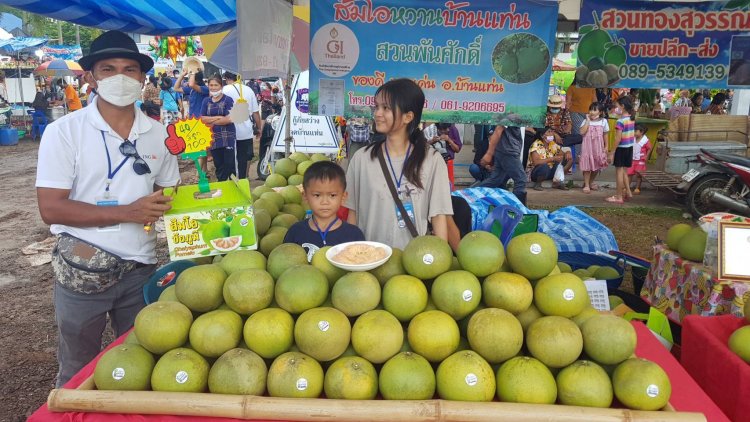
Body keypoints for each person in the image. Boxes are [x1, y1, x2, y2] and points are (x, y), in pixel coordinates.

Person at [35, 30, 180, 387]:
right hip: (83, 265)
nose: (120, 77)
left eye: (130, 69)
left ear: (142, 77)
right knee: (77, 366)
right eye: (108, 68)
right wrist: (127, 212)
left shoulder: (159, 134)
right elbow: (51, 208)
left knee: (138, 362)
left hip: (140, 267)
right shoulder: (65, 132)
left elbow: (166, 193)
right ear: (90, 77)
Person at [345, 78, 453, 249]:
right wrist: (350, 255)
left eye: (386, 108)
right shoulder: (361, 159)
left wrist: (439, 261)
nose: (377, 113)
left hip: (413, 264)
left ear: (408, 117)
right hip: (369, 260)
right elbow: (353, 213)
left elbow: (439, 216)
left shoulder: (432, 161)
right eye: (377, 106)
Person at [285, 161, 365, 261]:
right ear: (305, 196)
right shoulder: (295, 232)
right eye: (317, 195)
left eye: (332, 195)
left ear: (343, 197)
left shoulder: (354, 235)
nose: (325, 202)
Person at [477, 125, 530, 204]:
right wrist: (489, 153)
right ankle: (518, 208)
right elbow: (498, 130)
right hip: (508, 152)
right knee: (521, 180)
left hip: (505, 151)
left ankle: (471, 194)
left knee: (496, 179)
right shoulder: (509, 115)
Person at [223, 72, 261, 179]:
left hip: (229, 129)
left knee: (230, 158)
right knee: (243, 158)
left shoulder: (225, 90)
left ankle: (232, 181)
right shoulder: (249, 90)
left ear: (227, 78)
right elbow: (255, 113)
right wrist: (259, 129)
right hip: (246, 130)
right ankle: (243, 179)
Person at [201, 75, 236, 181]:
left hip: (227, 137)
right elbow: (202, 119)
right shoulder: (206, 101)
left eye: (216, 85)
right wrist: (218, 117)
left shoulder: (228, 100)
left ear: (221, 86)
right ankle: (222, 186)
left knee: (229, 165)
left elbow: (229, 119)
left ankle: (233, 188)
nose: (213, 87)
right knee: (219, 165)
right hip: (213, 138)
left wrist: (211, 119)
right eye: (211, 85)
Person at [606, 96, 636, 204]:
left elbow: (618, 139)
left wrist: (612, 152)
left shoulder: (620, 121)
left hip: (621, 149)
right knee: (624, 172)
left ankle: (619, 197)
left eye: (617, 106)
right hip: (629, 148)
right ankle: (626, 192)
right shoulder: (631, 118)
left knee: (619, 173)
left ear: (622, 107)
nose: (615, 108)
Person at [579, 102, 609, 193]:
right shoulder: (585, 121)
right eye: (591, 109)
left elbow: (605, 134)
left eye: (594, 110)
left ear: (600, 112)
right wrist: (587, 120)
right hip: (587, 147)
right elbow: (582, 132)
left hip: (598, 147)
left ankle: (589, 182)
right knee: (587, 166)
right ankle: (587, 185)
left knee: (597, 165)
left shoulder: (604, 121)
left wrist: (606, 146)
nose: (591, 112)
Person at [545, 95, 581, 165]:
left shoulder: (564, 112)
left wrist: (568, 128)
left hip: (564, 136)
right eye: (553, 107)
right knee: (549, 138)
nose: (555, 109)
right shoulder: (545, 113)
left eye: (557, 107)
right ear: (549, 106)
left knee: (580, 137)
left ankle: (559, 144)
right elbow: (545, 128)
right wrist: (555, 135)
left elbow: (569, 123)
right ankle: (560, 145)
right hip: (551, 136)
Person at [628, 124, 652, 195]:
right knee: (629, 174)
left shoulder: (645, 140)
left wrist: (646, 156)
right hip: (632, 159)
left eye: (635, 131)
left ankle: (637, 188)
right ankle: (627, 187)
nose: (634, 133)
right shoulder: (632, 139)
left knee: (639, 175)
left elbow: (649, 149)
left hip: (641, 160)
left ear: (641, 132)